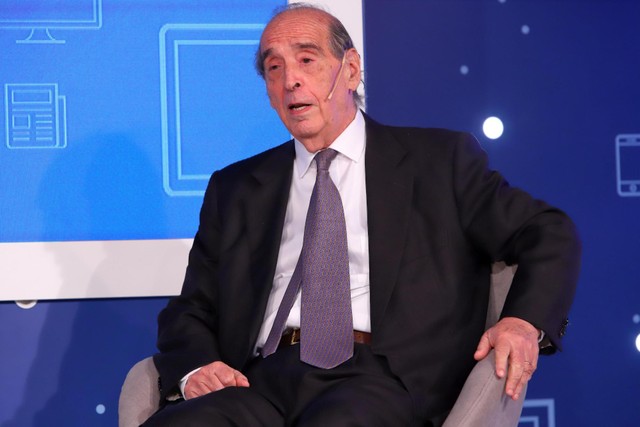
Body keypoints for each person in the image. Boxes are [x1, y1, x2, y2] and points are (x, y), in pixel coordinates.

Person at [143, 3, 580, 426]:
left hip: (380, 379)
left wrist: (522, 322)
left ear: (350, 69)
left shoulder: (438, 161)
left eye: (307, 60)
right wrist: (196, 368)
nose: (290, 80)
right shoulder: (236, 187)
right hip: (259, 381)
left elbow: (546, 231)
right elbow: (192, 307)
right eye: (274, 68)